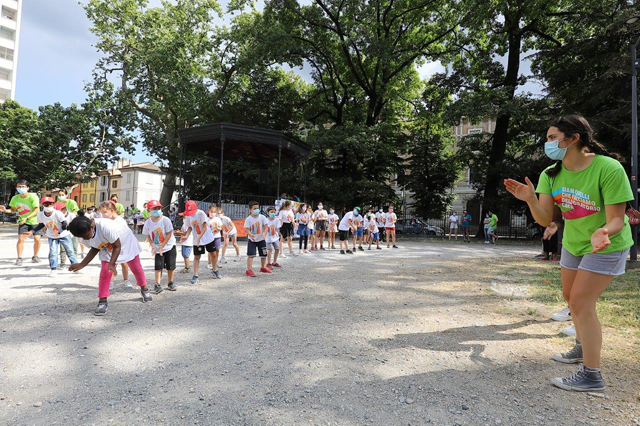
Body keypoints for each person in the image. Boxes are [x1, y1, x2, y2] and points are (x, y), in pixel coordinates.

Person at [504, 114, 633, 392]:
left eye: (553, 138)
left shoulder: (608, 168)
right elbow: (544, 218)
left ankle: (592, 376)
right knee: (569, 298)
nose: (548, 144)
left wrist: (605, 232)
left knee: (580, 304)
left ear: (573, 139)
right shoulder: (550, 174)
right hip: (573, 244)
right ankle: (581, 346)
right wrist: (529, 199)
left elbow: (616, 219)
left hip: (606, 244)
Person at [69, 215, 152, 315]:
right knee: (105, 272)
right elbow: (95, 247)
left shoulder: (105, 227)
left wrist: (112, 264)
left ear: (91, 227)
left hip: (124, 242)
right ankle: (102, 301)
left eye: (85, 236)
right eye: (81, 237)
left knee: (136, 267)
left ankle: (144, 288)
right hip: (107, 245)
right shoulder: (85, 234)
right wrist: (82, 264)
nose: (84, 238)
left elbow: (117, 246)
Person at [0, 180, 43, 265]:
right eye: (19, 187)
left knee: (37, 239)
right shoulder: (15, 198)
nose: (21, 188)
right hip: (23, 221)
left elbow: (36, 210)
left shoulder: (33, 197)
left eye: (23, 187)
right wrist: (5, 210)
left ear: (28, 188)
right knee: (20, 239)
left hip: (35, 221)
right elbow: (12, 210)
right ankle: (19, 258)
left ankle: (35, 256)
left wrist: (26, 217)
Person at [33, 197, 78, 276]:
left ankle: (75, 266)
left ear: (53, 204)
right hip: (52, 236)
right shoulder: (40, 215)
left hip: (64, 235)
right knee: (53, 252)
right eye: (46, 204)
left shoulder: (58, 213)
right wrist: (33, 231)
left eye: (50, 204)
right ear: (42, 205)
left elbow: (64, 223)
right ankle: (53, 269)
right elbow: (41, 224)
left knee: (70, 250)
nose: (48, 206)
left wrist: (59, 231)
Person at [142, 200, 177, 293]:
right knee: (158, 266)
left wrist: (162, 246)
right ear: (149, 210)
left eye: (159, 208)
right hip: (157, 248)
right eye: (155, 208)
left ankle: (170, 282)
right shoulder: (148, 223)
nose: (157, 210)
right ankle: (157, 284)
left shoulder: (165, 220)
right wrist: (153, 245)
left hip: (169, 246)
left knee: (170, 266)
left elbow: (169, 234)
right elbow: (148, 235)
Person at [179, 200, 216, 285]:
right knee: (197, 257)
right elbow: (189, 227)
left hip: (207, 237)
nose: (191, 213)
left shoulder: (201, 213)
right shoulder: (188, 215)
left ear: (196, 208)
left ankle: (215, 270)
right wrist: (186, 236)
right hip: (197, 239)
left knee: (213, 254)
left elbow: (204, 227)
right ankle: (195, 275)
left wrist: (199, 237)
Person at [97, 201, 133, 289]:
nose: (103, 215)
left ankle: (126, 279)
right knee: (112, 263)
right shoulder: (106, 221)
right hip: (111, 245)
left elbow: (123, 234)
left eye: (105, 212)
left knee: (124, 263)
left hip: (121, 245)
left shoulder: (120, 220)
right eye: (102, 213)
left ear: (112, 210)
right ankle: (111, 281)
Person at [244, 201, 270, 276]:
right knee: (251, 255)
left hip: (261, 239)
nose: (256, 210)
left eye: (257, 208)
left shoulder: (262, 217)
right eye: (254, 208)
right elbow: (247, 229)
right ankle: (249, 270)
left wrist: (265, 233)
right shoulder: (248, 219)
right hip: (252, 240)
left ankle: (263, 267)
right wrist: (251, 235)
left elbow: (266, 226)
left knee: (264, 254)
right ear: (250, 210)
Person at [58, 203, 79, 268]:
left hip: (73, 232)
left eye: (61, 210)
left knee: (74, 247)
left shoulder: (72, 215)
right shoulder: (58, 215)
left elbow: (75, 223)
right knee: (63, 248)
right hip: (63, 233)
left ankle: (74, 262)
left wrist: (67, 223)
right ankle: (63, 262)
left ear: (65, 210)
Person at [206, 205, 223, 279]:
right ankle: (211, 264)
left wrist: (219, 228)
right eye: (211, 212)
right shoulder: (206, 219)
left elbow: (221, 226)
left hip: (217, 236)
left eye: (214, 212)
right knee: (211, 252)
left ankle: (215, 264)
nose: (212, 213)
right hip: (210, 238)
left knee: (217, 250)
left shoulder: (217, 219)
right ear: (208, 211)